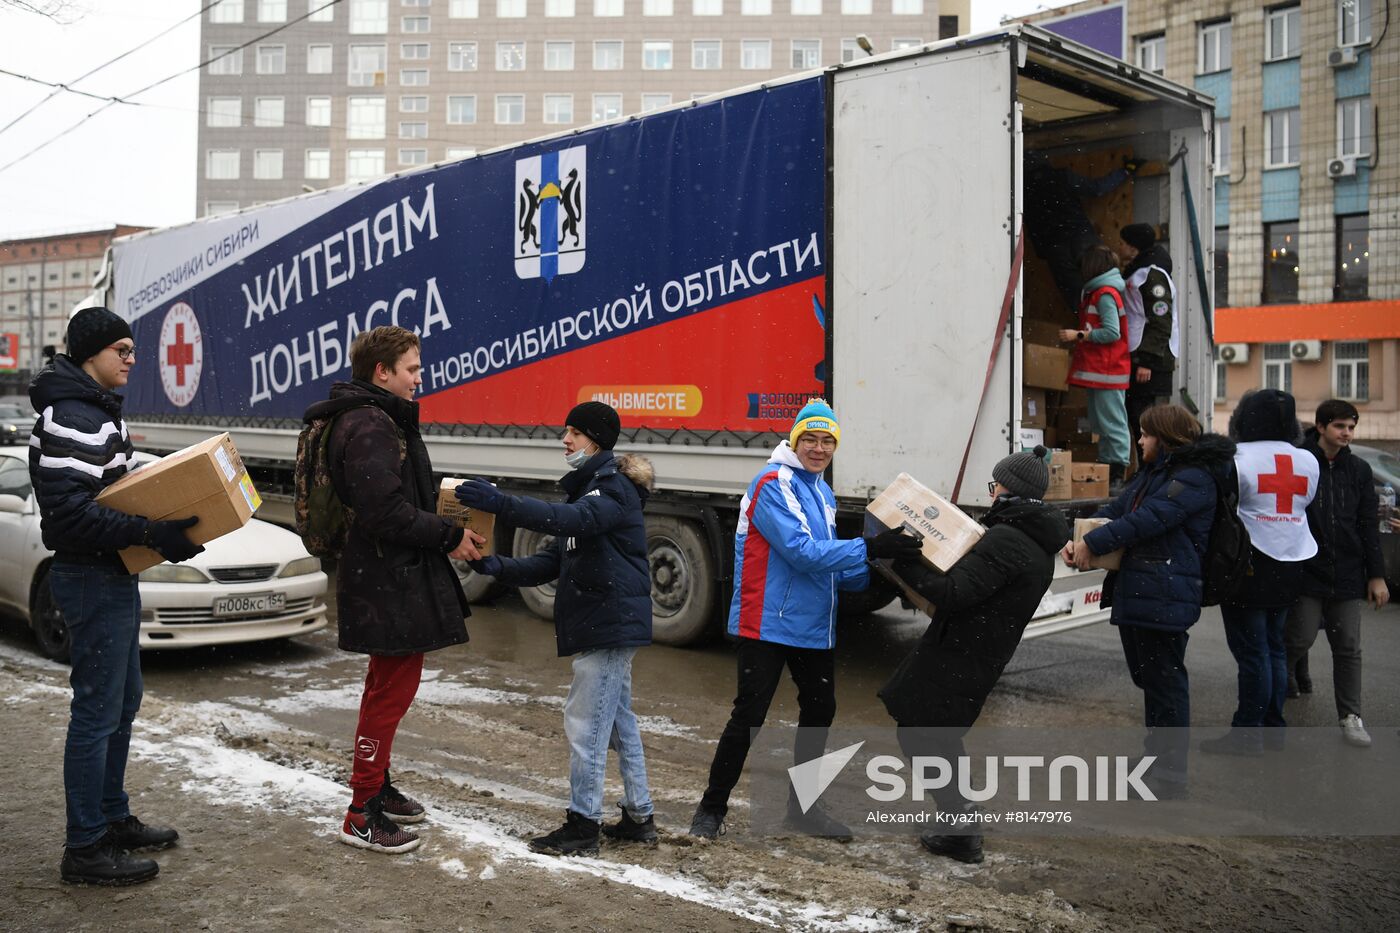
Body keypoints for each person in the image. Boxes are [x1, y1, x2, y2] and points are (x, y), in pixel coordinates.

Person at [688, 399, 922, 842]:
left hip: (813, 624)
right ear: (795, 441)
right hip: (767, 622)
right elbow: (800, 551)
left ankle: (804, 809)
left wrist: (889, 573)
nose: (818, 448)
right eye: (810, 439)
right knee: (750, 715)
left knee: (820, 710)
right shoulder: (772, 483)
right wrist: (869, 549)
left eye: (827, 440)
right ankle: (710, 810)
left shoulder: (821, 490)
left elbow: (834, 561)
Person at [30, 307, 196, 885]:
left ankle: (111, 815)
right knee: (96, 712)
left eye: (132, 350)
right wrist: (151, 532)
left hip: (113, 573)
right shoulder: (73, 415)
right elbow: (72, 515)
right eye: (121, 350)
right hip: (89, 575)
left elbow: (110, 488)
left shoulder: (94, 412)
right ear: (90, 353)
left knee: (121, 702)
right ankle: (85, 848)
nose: (131, 360)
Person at [304, 326, 484, 855]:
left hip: (388, 576)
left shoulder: (373, 418)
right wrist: (448, 536)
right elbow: (384, 511)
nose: (419, 378)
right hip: (389, 579)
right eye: (411, 369)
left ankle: (375, 785)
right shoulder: (369, 425)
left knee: (385, 688)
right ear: (382, 372)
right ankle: (361, 813)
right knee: (390, 695)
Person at [454, 401, 658, 857]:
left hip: (607, 625)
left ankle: (583, 826)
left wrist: (501, 503)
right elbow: (550, 560)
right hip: (602, 622)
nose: (565, 440)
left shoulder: (612, 490)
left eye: (574, 433)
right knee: (617, 723)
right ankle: (639, 816)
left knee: (585, 724)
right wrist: (493, 565)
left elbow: (573, 522)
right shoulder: (586, 492)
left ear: (597, 440)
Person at [882, 445, 1070, 864]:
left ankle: (961, 829)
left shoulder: (1009, 539)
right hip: (976, 653)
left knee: (921, 734)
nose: (993, 492)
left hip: (961, 653)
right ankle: (960, 817)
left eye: (996, 484)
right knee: (933, 734)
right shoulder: (1036, 541)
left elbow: (954, 594)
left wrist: (901, 560)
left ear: (1009, 489)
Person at [1065, 407, 1234, 796]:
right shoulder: (1156, 473)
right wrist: (1082, 532)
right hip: (1144, 590)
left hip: (1165, 591)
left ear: (1166, 436)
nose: (1139, 442)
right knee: (1151, 679)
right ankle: (1155, 759)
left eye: (1144, 434)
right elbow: (1121, 510)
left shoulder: (1193, 478)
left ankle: (1170, 775)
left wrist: (1094, 543)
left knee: (1166, 686)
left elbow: (1151, 519)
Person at [1202, 389, 1318, 756]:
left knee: (1252, 654)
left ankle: (1247, 733)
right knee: (1275, 650)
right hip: (1293, 559)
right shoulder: (1307, 460)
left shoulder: (1237, 458)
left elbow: (1220, 508)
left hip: (1249, 563)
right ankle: (1273, 728)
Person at [1285, 400, 1389, 747]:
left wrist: (1376, 576)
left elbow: (1367, 525)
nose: (1347, 433)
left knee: (1348, 648)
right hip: (1307, 570)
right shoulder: (1300, 461)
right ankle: (1272, 704)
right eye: (1340, 426)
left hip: (1346, 573)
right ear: (1321, 427)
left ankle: (1350, 717)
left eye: (1351, 427)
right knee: (1296, 639)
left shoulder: (1358, 470)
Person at [1060, 244, 1132, 492]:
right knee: (1102, 424)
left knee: (1112, 424)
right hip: (1101, 371)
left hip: (1108, 370)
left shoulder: (1104, 294)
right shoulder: (1098, 293)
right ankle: (1107, 471)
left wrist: (1078, 335)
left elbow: (1113, 332)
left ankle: (1116, 475)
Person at [1118, 223, 1178, 467]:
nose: (1119, 246)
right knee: (1137, 418)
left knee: (1144, 420)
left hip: (1150, 359)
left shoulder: (1152, 274)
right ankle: (1146, 470)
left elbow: (1160, 318)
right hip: (1139, 353)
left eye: (1123, 242)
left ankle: (1152, 470)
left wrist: (1147, 361)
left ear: (1133, 247)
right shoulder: (1140, 270)